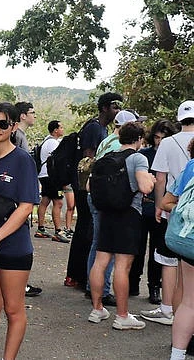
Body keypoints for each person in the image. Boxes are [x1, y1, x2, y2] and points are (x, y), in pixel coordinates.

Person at [0, 102, 39, 360]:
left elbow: (26, 207)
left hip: (13, 246)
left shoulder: (23, 160)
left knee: (13, 309)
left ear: (13, 126)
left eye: (3, 123)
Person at [87, 121, 155, 330]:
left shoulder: (107, 157)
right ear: (139, 139)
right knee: (122, 266)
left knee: (100, 262)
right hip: (128, 215)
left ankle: (97, 309)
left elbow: (89, 186)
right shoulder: (137, 158)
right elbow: (145, 187)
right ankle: (122, 315)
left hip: (106, 213)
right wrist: (151, 180)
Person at [65, 92, 123, 290]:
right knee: (85, 229)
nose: (118, 111)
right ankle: (77, 275)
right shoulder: (94, 127)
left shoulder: (102, 129)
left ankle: (79, 275)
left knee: (86, 228)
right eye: (115, 106)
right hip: (84, 185)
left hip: (89, 185)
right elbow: (88, 159)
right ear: (105, 107)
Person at [143, 101, 194, 325]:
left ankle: (167, 309)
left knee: (169, 261)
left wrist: (158, 205)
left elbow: (161, 177)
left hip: (174, 208)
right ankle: (185, 310)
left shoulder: (168, 142)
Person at [157, 138, 194, 360]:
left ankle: (177, 355)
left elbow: (166, 202)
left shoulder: (191, 166)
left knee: (189, 301)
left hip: (188, 239)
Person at [133, 119, 176, 305]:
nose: (160, 141)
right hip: (143, 207)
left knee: (157, 251)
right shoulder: (144, 154)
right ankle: (133, 282)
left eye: (164, 138)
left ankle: (154, 287)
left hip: (162, 208)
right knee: (137, 247)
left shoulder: (172, 154)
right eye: (157, 137)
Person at [13, 102, 42, 298]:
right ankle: (19, 283)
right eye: (32, 112)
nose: (35, 116)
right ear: (22, 115)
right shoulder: (17, 136)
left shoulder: (21, 135)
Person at [34, 120, 70, 243]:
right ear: (55, 130)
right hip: (51, 176)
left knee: (45, 200)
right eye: (61, 127)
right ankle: (58, 231)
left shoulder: (46, 141)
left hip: (44, 175)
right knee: (58, 202)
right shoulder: (53, 143)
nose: (62, 129)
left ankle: (41, 228)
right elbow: (57, 161)